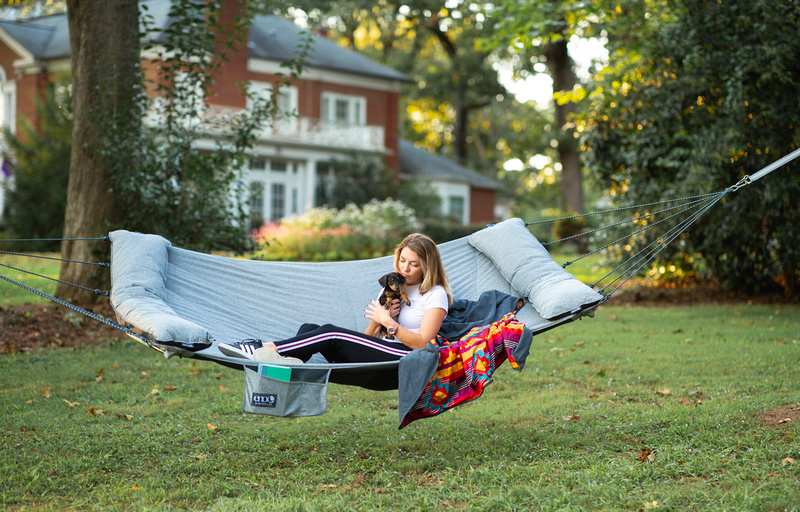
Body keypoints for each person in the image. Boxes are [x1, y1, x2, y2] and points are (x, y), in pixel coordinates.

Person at [218, 233, 453, 365]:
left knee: (331, 333)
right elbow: (368, 338)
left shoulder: (436, 294)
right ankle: (288, 364)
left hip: (404, 357)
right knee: (310, 328)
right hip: (381, 348)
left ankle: (263, 348)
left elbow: (424, 344)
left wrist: (392, 324)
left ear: (427, 265)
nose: (405, 268)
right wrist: (380, 321)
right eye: (402, 260)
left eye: (413, 264)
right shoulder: (393, 286)